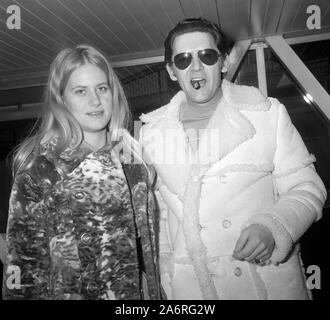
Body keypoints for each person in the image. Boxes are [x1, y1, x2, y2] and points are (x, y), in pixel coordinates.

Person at [139, 18, 327, 300]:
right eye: (183, 59)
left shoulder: (266, 115)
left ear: (223, 63)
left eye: (207, 55)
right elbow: (160, 217)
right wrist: (166, 275)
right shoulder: (151, 134)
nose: (197, 67)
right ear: (171, 71)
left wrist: (274, 227)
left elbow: (308, 188)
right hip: (191, 292)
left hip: (264, 283)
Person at [2, 44, 162, 300]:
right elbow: (23, 276)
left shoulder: (134, 166)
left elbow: (146, 263)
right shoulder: (41, 174)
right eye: (80, 91)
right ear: (61, 99)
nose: (95, 101)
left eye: (102, 88)